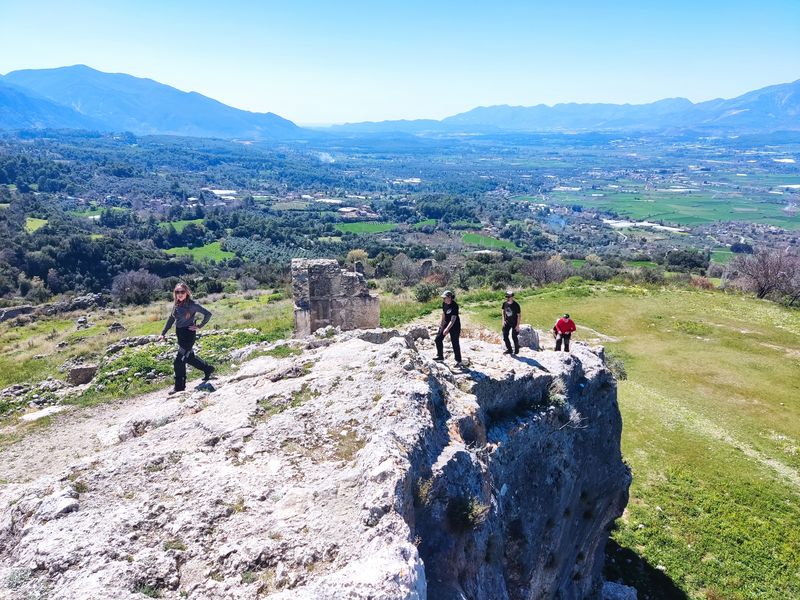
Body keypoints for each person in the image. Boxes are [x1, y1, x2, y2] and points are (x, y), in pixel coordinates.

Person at [159, 283, 214, 393]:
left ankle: (179, 387)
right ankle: (208, 369)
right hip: (180, 334)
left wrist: (199, 326)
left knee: (178, 361)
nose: (179, 294)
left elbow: (208, 314)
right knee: (189, 357)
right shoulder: (177, 305)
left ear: (187, 292)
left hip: (189, 335)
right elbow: (171, 319)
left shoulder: (193, 305)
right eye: (177, 292)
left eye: (182, 292)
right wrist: (163, 333)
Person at [434, 290, 462, 365]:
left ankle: (458, 361)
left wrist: (447, 329)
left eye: (444, 298)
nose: (443, 299)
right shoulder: (444, 303)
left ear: (449, 297)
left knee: (455, 342)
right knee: (438, 339)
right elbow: (444, 314)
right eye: (443, 298)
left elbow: (453, 319)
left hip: (455, 325)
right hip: (446, 323)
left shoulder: (455, 306)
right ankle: (440, 356)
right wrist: (442, 324)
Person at [501, 290, 521, 355]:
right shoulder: (505, 303)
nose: (507, 298)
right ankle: (509, 350)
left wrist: (517, 326)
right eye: (506, 297)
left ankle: (517, 349)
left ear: (512, 297)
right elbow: (503, 311)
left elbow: (519, 315)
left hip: (514, 322)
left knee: (514, 336)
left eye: (509, 297)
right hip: (507, 322)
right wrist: (503, 320)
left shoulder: (516, 305)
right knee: (505, 336)